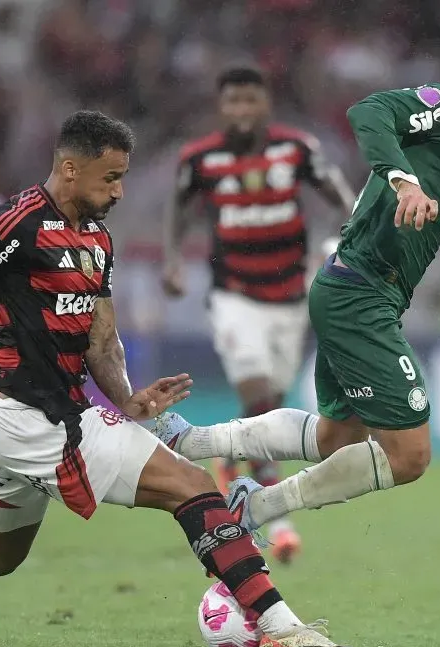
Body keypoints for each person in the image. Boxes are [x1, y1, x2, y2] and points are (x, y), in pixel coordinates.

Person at [0, 111, 359, 647]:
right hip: (28, 416)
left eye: (123, 179)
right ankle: (283, 628)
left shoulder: (98, 241)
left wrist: (128, 398)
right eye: (110, 177)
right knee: (192, 485)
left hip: (29, 417)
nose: (118, 191)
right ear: (70, 169)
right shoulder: (19, 221)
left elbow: (101, 342)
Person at [149, 45, 440, 541]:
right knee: (410, 455)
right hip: (361, 294)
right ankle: (255, 510)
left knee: (336, 436)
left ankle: (187, 439)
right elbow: (369, 112)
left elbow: (416, 212)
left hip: (352, 287)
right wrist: (404, 181)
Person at [161, 66, 355, 563]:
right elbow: (178, 207)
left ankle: (230, 455)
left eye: (250, 101)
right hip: (235, 295)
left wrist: (348, 242)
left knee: (272, 398)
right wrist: (172, 259)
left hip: (291, 297)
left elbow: (341, 197)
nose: (241, 112)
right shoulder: (200, 158)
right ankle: (271, 509)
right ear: (221, 107)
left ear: (265, 103)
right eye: (232, 103)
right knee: (259, 396)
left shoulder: (296, 149)